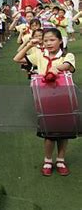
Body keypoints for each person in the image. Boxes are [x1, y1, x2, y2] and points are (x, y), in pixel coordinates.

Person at [13, 28, 75, 176]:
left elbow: (68, 66)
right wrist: (29, 44)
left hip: (63, 98)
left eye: (52, 40)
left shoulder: (68, 55)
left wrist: (55, 68)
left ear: (60, 41)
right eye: (45, 40)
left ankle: (60, 160)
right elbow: (17, 59)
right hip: (45, 99)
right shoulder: (39, 54)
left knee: (64, 133)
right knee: (48, 134)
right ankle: (48, 160)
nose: (48, 43)